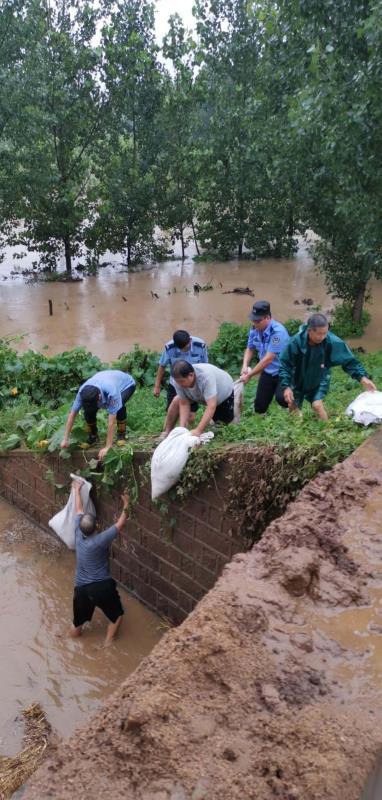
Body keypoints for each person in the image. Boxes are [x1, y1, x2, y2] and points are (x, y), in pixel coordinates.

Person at [277, 313, 377, 420]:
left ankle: (326, 430)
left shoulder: (331, 341)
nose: (323, 337)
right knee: (292, 405)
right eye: (319, 334)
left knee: (317, 405)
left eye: (325, 333)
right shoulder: (295, 342)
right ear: (309, 331)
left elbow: (348, 360)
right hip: (297, 379)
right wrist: (286, 387)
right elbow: (285, 365)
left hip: (319, 378)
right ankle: (296, 431)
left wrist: (362, 378)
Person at [70, 480, 129, 646]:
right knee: (117, 616)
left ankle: (70, 643)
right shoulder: (101, 540)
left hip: (81, 589)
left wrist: (76, 489)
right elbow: (121, 523)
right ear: (96, 526)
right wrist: (127, 504)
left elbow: (79, 509)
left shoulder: (77, 533)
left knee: (77, 623)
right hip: (101, 586)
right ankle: (108, 644)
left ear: (80, 527)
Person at [61, 370, 136, 460]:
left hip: (126, 385)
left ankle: (121, 434)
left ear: (99, 397)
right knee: (88, 412)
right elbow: (72, 415)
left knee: (119, 408)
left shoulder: (112, 391)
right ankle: (93, 436)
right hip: (105, 378)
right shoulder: (82, 393)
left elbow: (111, 422)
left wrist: (108, 447)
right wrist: (65, 439)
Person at [153, 330, 208, 437]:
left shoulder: (200, 346)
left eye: (186, 347)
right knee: (172, 410)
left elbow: (205, 366)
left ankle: (186, 433)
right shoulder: (169, 348)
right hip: (176, 383)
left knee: (191, 416)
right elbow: (162, 366)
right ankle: (168, 432)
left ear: (190, 341)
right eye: (180, 348)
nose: (183, 350)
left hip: (193, 384)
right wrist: (157, 386)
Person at [240, 300, 290, 413]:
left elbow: (268, 359)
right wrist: (245, 365)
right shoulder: (255, 329)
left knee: (283, 399)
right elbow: (250, 348)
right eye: (253, 319)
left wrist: (250, 375)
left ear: (267, 317)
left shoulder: (277, 333)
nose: (255, 323)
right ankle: (262, 424)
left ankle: (295, 410)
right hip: (268, 371)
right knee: (259, 406)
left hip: (284, 371)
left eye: (257, 320)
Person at [173, 361, 234, 437]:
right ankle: (167, 432)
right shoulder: (178, 381)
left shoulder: (205, 377)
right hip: (200, 395)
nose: (179, 385)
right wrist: (182, 428)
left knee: (220, 427)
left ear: (191, 375)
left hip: (224, 392)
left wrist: (198, 430)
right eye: (177, 382)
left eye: (182, 382)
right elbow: (184, 403)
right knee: (175, 400)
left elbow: (211, 406)